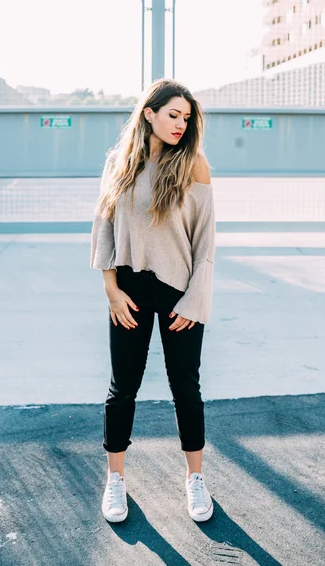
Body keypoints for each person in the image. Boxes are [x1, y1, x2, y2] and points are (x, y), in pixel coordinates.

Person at [90, 78, 216, 524]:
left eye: (186, 117)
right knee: (123, 385)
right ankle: (116, 479)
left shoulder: (194, 165)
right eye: (172, 115)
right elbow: (104, 226)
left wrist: (194, 300)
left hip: (181, 292)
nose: (180, 124)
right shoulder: (119, 163)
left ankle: (196, 480)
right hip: (129, 289)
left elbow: (205, 243)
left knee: (186, 385)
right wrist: (110, 288)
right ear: (149, 113)